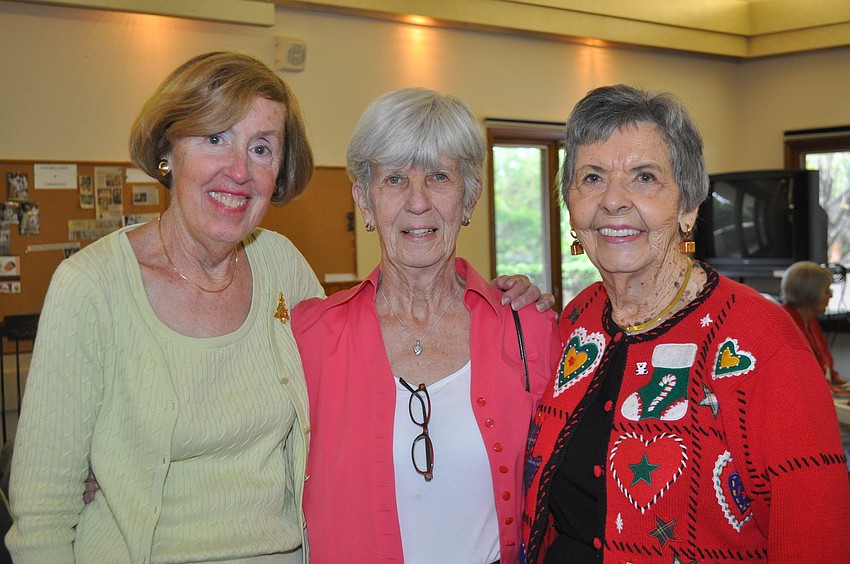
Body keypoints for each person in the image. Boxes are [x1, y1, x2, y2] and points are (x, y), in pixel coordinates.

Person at [5, 54, 546, 562]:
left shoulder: (282, 271)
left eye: (261, 147)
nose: (239, 170)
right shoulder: (91, 287)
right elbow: (42, 513)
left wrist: (518, 300)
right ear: (168, 150)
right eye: (216, 138)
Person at [521, 84, 850, 563]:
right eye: (592, 177)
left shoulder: (765, 342)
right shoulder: (575, 322)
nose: (613, 201)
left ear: (689, 206)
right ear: (570, 205)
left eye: (644, 177)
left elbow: (817, 540)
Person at [292, 87, 563, 563]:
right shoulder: (310, 338)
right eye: (394, 179)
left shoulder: (530, 332)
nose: (417, 203)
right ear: (365, 200)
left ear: (469, 197)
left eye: (439, 176)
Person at [781, 260, 848, 388]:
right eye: (827, 291)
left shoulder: (810, 320)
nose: (831, 296)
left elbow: (825, 368)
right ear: (810, 293)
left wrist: (838, 381)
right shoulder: (786, 325)